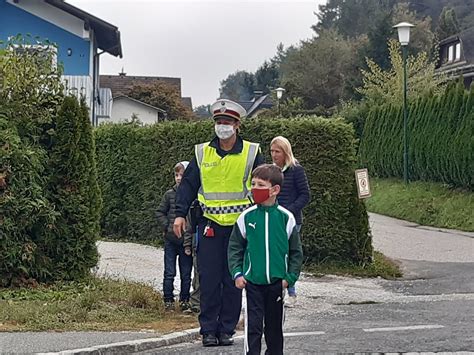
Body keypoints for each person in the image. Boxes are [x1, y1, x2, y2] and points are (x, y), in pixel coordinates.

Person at [173, 99, 264, 347]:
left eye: (227, 122)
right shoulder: (203, 152)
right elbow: (189, 185)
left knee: (233, 280)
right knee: (209, 279)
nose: (222, 126)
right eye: (218, 122)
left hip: (239, 229)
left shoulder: (252, 153)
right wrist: (180, 214)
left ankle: (226, 329)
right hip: (209, 226)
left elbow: (262, 187)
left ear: (237, 125)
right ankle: (208, 331)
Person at [228, 164, 303, 355]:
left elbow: (296, 252)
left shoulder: (286, 218)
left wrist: (290, 277)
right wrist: (237, 273)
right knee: (253, 328)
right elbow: (235, 247)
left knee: (274, 329)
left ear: (275, 190)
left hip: (277, 284)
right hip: (252, 283)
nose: (255, 188)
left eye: (260, 184)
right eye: (253, 184)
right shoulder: (246, 217)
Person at [270, 136, 310, 307]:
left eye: (277, 151)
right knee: (274, 255)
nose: (273, 155)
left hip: (291, 220)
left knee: (289, 255)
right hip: (273, 218)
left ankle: (291, 292)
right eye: (272, 151)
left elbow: (305, 195)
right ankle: (276, 289)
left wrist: (290, 211)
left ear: (285, 152)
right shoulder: (270, 171)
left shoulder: (296, 170)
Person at [156, 161, 193, 312]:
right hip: (171, 240)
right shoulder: (169, 194)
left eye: (181, 175)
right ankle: (168, 300)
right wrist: (167, 226)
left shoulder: (192, 196)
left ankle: (185, 300)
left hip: (185, 241)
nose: (178, 178)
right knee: (169, 272)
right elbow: (159, 212)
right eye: (176, 175)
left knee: (186, 273)